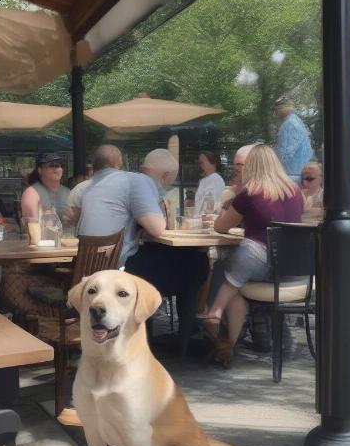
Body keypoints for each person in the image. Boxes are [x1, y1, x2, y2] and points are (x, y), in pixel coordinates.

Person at [204, 144, 304, 368]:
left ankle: (215, 320)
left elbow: (221, 227)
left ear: (253, 166)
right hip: (290, 270)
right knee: (236, 285)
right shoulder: (295, 191)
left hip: (256, 260)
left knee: (225, 266)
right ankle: (229, 339)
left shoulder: (251, 191)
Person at [123, 149, 211, 352]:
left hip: (130, 261)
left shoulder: (129, 183)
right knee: (196, 264)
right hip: (132, 266)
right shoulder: (146, 188)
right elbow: (157, 229)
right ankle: (183, 341)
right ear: (165, 176)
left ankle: (154, 342)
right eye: (171, 180)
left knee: (189, 264)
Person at [62, 146, 123, 227]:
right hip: (119, 237)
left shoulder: (79, 189)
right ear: (118, 165)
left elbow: (68, 222)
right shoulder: (126, 188)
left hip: (86, 237)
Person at [274, 97, 314, 184]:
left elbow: (286, 153)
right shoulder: (296, 120)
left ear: (286, 108)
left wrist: (274, 167)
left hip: (293, 174)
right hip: (300, 172)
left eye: (278, 108)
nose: (276, 112)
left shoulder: (290, 124)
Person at [21, 152, 69, 220]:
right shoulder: (32, 193)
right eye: (52, 165)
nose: (56, 169)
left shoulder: (67, 191)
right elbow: (32, 226)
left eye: (59, 165)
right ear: (40, 170)